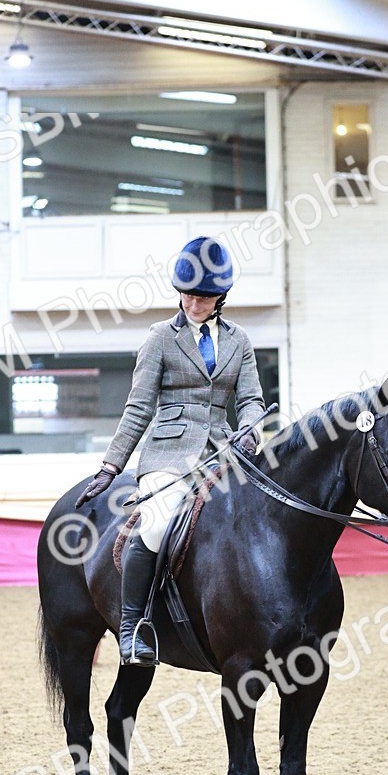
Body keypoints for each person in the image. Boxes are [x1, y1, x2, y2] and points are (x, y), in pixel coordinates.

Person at [76, 236, 266, 665]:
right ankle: (133, 628)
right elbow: (139, 406)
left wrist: (251, 429)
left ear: (221, 296)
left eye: (206, 296)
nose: (196, 303)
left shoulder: (240, 341)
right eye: (189, 294)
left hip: (224, 451)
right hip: (169, 453)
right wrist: (112, 465)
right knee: (158, 526)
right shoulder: (161, 337)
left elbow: (251, 399)